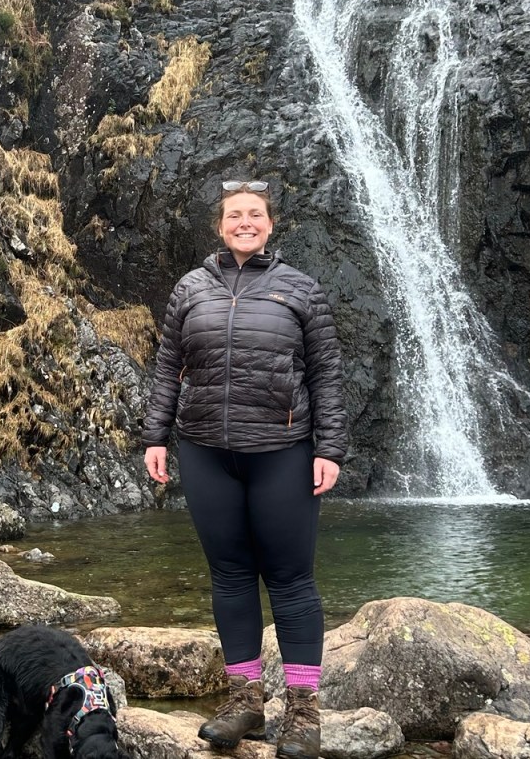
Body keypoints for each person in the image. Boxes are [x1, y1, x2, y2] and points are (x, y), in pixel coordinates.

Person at [142, 179, 349, 759]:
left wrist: (329, 448)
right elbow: (167, 368)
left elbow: (326, 376)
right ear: (220, 225)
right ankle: (245, 704)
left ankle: (304, 714)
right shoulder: (191, 288)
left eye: (254, 215)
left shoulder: (300, 290)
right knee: (230, 575)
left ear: (270, 225)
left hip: (282, 451)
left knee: (290, 579)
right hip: (205, 449)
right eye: (235, 215)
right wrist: (155, 436)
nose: (244, 223)